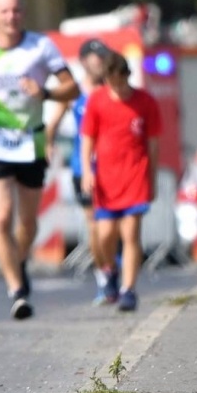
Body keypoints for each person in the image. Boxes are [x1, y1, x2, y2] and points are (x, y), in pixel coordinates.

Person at [0, 0, 78, 320]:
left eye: (16, 11)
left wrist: (46, 92)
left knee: (28, 222)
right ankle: (17, 289)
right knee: (1, 215)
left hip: (31, 141)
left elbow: (73, 87)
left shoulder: (41, 46)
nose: (11, 17)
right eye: (4, 12)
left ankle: (19, 258)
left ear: (23, 14)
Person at [81, 48, 162, 312]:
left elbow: (153, 146)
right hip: (106, 178)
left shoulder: (146, 102)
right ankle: (110, 270)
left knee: (130, 233)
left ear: (127, 76)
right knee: (104, 235)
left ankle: (128, 289)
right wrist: (87, 171)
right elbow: (87, 140)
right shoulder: (97, 101)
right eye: (110, 82)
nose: (115, 88)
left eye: (119, 81)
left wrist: (152, 178)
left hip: (135, 175)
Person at [46, 38, 112, 303]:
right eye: (96, 59)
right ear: (84, 62)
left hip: (113, 167)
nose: (101, 64)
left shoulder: (112, 90)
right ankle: (104, 277)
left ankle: (114, 267)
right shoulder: (75, 93)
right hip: (82, 167)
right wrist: (48, 145)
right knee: (95, 227)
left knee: (113, 226)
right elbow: (53, 123)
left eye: (104, 59)